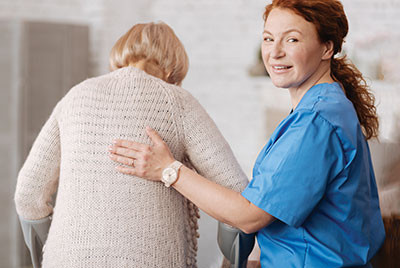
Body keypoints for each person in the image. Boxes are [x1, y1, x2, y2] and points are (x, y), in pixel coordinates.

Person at [109, 0, 386, 267]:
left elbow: (251, 215)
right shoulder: (325, 106)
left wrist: (168, 170)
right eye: (268, 39)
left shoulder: (316, 121)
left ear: (326, 47)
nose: (275, 52)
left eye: (291, 40)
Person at [14, 22, 248, 268]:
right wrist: (234, 261)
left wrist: (53, 253)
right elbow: (236, 191)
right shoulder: (179, 103)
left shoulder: (75, 96)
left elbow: (28, 195)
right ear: (173, 65)